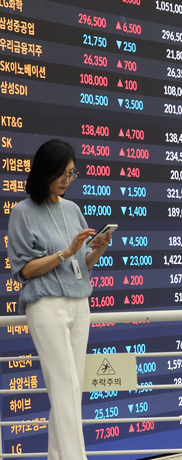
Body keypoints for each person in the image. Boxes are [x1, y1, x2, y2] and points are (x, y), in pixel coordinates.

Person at [7, 139, 111, 460]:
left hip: (79, 302)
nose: (68, 180)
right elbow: (24, 270)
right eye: (62, 174)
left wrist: (97, 250)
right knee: (65, 389)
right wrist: (66, 252)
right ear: (45, 172)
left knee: (70, 391)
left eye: (71, 173)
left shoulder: (72, 209)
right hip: (46, 305)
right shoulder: (22, 212)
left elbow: (81, 264)